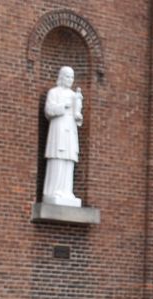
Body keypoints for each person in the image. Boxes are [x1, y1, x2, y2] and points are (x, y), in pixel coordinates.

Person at [42, 66, 84, 207]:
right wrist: (64, 106)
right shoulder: (53, 92)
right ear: (61, 77)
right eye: (67, 77)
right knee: (58, 157)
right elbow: (49, 111)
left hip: (70, 130)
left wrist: (78, 113)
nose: (70, 80)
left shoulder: (74, 95)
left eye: (72, 77)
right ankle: (54, 190)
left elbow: (77, 117)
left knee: (69, 158)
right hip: (58, 129)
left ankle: (67, 191)